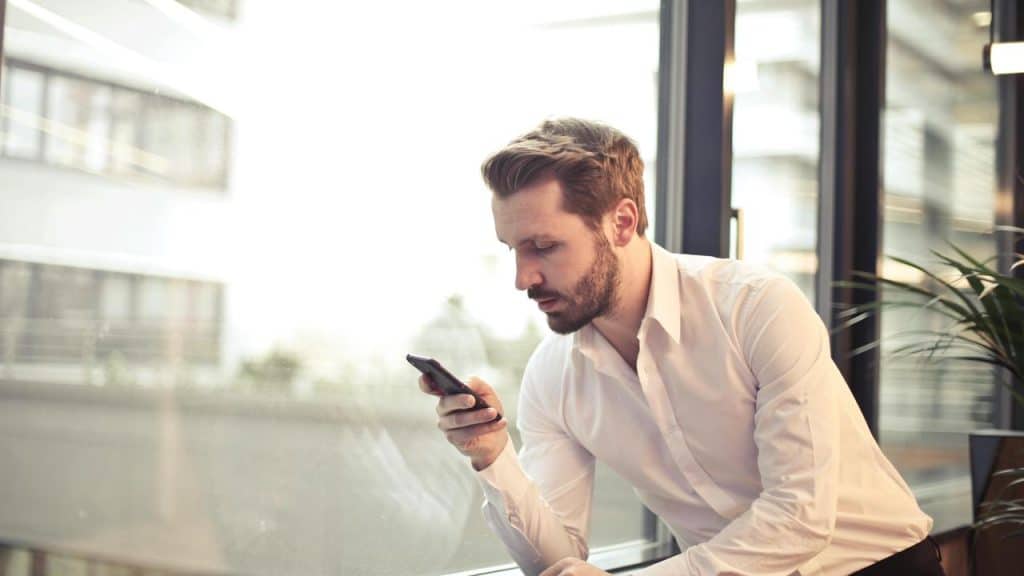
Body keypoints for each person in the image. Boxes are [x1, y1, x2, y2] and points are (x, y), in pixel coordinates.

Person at [418, 118, 943, 576]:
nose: (522, 277)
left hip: (882, 568)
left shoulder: (756, 308)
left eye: (545, 246)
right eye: (513, 249)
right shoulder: (553, 377)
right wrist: (493, 459)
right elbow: (559, 559)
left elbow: (800, 515)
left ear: (621, 222)